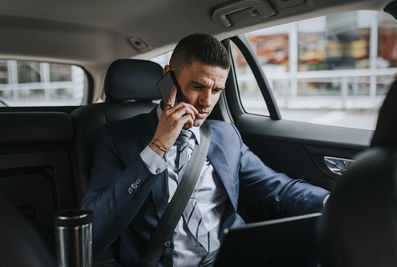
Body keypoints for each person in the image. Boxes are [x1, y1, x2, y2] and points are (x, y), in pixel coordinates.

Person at [81, 33, 330, 267]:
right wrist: (156, 148)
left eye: (217, 90)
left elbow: (279, 189)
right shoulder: (117, 137)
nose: (207, 103)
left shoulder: (226, 136)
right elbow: (96, 232)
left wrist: (336, 202)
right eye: (198, 86)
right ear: (169, 78)